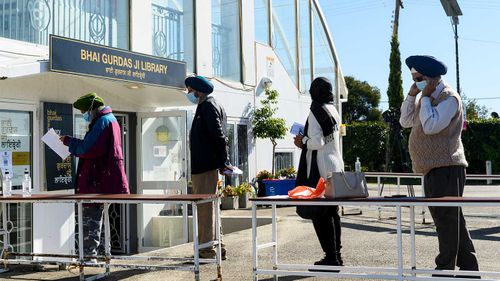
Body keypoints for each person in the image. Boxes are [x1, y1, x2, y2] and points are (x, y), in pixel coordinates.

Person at [400, 55, 479, 277]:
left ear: (430, 78)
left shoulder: (449, 97)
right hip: (433, 168)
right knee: (452, 219)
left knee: (445, 219)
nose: (415, 82)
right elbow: (405, 121)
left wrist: (424, 99)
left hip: (447, 166)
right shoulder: (422, 96)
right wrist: (412, 95)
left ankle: (444, 269)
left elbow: (432, 126)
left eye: (418, 78)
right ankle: (469, 267)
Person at [60, 92, 129, 257]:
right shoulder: (110, 120)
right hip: (105, 182)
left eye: (84, 111)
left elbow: (87, 149)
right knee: (101, 223)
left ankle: (89, 261)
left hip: (97, 184)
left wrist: (68, 141)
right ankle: (104, 258)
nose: (84, 115)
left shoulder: (103, 122)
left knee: (90, 224)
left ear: (92, 109)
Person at [294, 77, 345, 268]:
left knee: (319, 213)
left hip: (320, 168)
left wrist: (303, 141)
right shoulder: (333, 109)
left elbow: (317, 142)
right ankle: (336, 255)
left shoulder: (315, 111)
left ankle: (331, 256)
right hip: (334, 164)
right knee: (332, 212)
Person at [185, 75, 232, 260]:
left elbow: (218, 136)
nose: (188, 94)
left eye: (190, 91)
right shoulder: (210, 105)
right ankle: (217, 247)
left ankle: (206, 250)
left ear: (198, 91)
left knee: (205, 210)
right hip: (207, 166)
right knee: (210, 208)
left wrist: (224, 161)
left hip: (205, 167)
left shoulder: (207, 106)